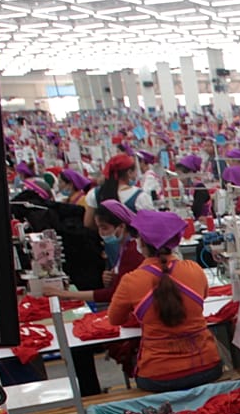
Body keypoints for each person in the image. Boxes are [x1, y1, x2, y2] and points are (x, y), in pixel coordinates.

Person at [106, 211, 223, 392]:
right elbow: (203, 296)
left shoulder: (131, 281)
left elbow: (115, 319)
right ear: (175, 241)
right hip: (207, 367)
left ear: (141, 242)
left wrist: (145, 314)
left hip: (158, 376)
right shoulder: (194, 269)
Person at [47, 201, 142, 304]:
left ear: (121, 227)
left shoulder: (133, 250)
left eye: (104, 228)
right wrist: (112, 279)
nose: (101, 232)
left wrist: (66, 294)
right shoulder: (125, 247)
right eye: (99, 228)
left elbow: (114, 293)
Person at [83, 153, 153, 230]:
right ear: (129, 172)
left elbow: (88, 223)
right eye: (135, 170)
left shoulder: (95, 193)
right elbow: (150, 225)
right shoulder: (140, 196)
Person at [174, 155, 211, 219]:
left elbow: (196, 211)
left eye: (180, 174)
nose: (179, 178)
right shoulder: (188, 187)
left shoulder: (199, 187)